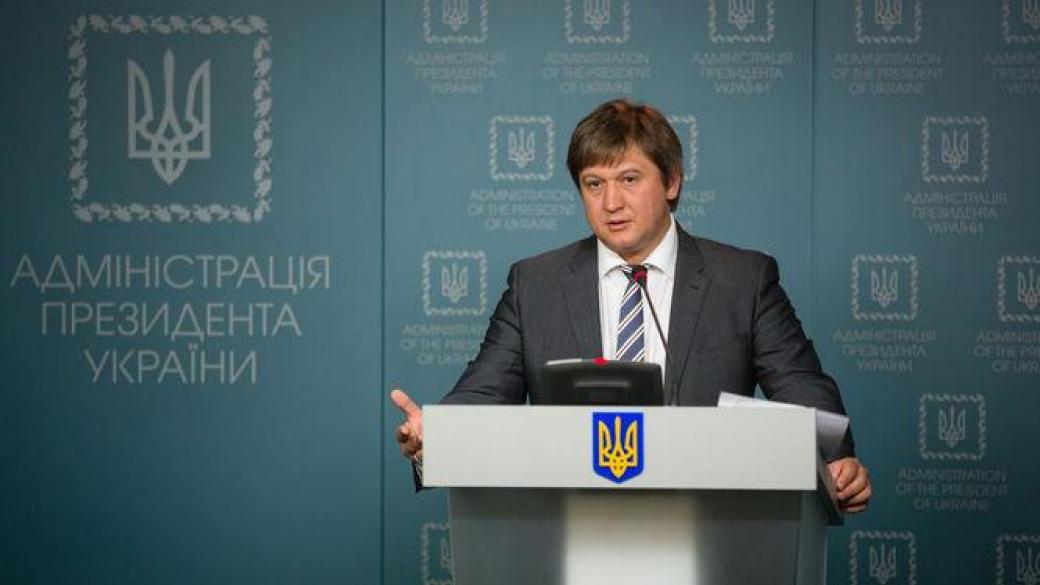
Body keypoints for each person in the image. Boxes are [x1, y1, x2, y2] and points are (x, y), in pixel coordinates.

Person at [391, 99, 871, 513]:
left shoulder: (743, 279)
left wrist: (836, 462)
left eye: (629, 178)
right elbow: (482, 396)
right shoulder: (534, 284)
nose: (611, 202)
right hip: (568, 529)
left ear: (672, 182)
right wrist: (435, 437)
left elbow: (801, 387)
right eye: (593, 184)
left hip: (711, 525)